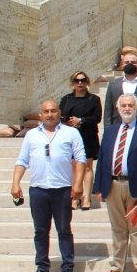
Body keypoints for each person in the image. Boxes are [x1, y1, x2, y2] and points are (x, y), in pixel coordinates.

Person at [11, 99, 86, 272]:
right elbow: (22, 161)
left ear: (59, 112)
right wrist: (15, 184)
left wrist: (77, 184)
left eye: (53, 111)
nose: (50, 114)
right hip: (39, 190)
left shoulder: (71, 133)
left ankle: (68, 267)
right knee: (41, 231)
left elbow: (81, 159)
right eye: (46, 111)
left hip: (61, 190)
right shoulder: (31, 135)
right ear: (40, 114)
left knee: (64, 230)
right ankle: (42, 267)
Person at [94, 94, 137, 272]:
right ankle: (117, 267)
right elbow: (103, 160)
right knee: (118, 228)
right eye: (124, 105)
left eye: (131, 105)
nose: (127, 108)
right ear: (118, 108)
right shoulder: (111, 131)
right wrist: (98, 187)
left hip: (136, 186)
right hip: (113, 185)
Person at [59, 71, 102, 210]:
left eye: (83, 80)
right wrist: (70, 121)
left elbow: (97, 118)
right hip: (70, 135)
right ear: (73, 82)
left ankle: (87, 197)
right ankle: (75, 197)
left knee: (88, 166)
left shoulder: (93, 99)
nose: (80, 83)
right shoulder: (66, 99)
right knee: (73, 166)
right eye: (77, 80)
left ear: (87, 82)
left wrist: (81, 120)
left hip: (87, 135)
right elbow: (61, 115)